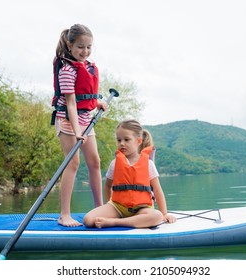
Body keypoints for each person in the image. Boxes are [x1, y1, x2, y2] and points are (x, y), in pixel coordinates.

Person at [51, 24, 106, 227]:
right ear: (70, 44)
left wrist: (97, 103)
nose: (85, 52)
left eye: (89, 47)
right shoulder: (66, 70)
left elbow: (84, 99)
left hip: (85, 119)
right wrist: (77, 131)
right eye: (81, 47)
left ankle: (100, 208)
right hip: (67, 120)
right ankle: (64, 214)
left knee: (95, 162)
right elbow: (71, 104)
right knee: (72, 163)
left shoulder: (88, 67)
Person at [83, 120, 176, 228]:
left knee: (157, 216)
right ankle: (126, 220)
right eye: (119, 140)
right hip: (118, 207)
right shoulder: (114, 164)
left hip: (141, 209)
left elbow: (157, 190)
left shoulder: (148, 164)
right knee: (88, 220)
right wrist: (108, 204)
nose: (122, 143)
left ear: (138, 141)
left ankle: (115, 222)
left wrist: (164, 214)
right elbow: (108, 186)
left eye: (127, 140)